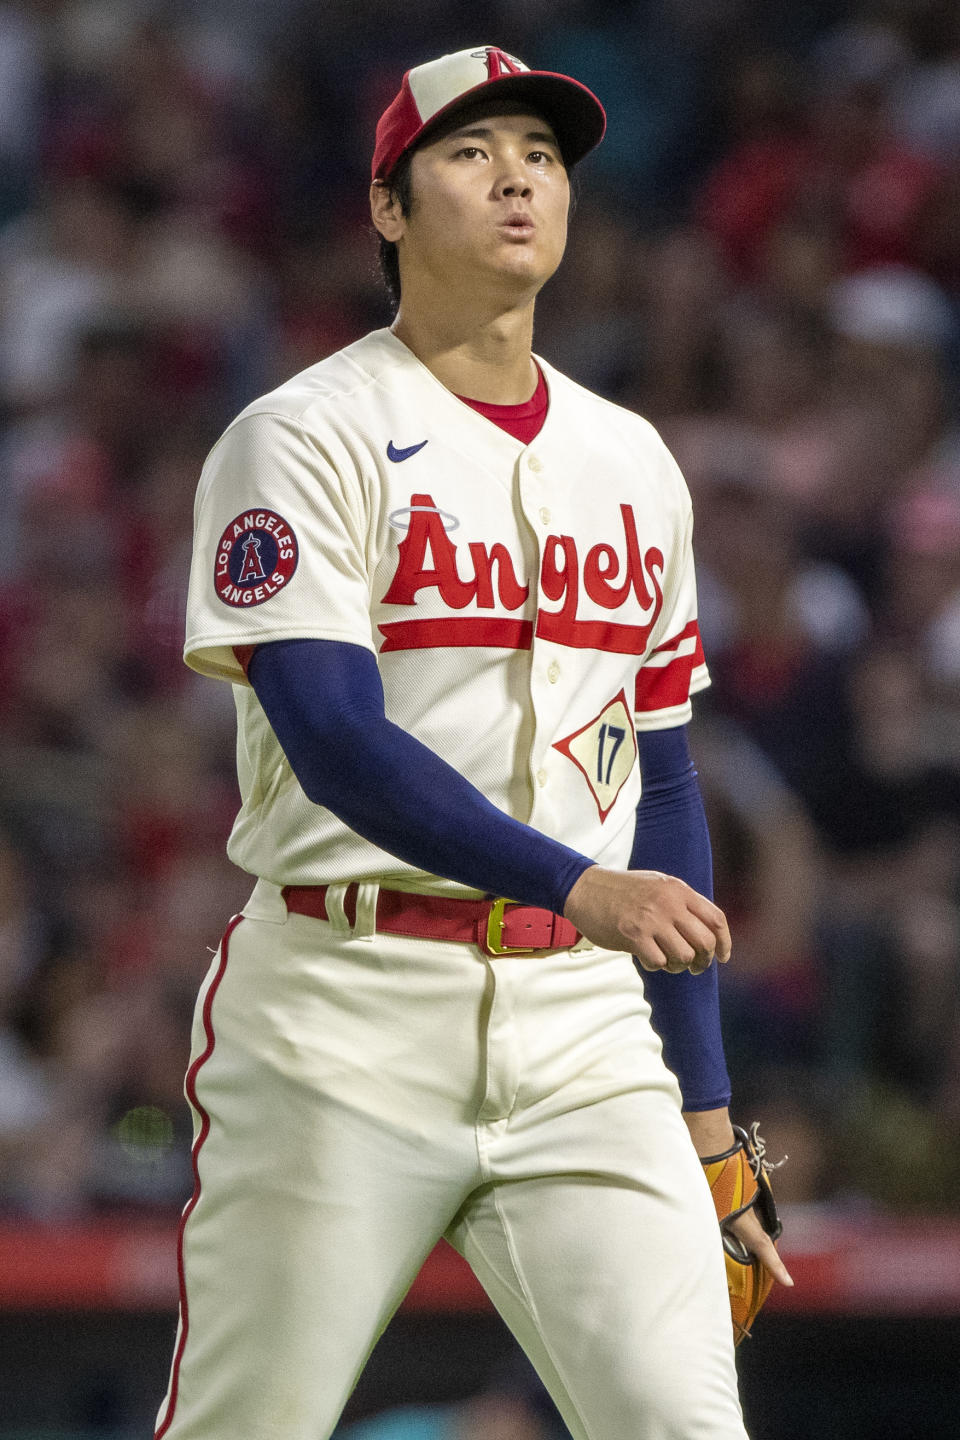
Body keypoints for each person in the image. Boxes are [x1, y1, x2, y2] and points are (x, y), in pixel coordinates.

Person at [155, 45, 790, 1440]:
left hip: (583, 1032)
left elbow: (662, 776)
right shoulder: (301, 435)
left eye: (545, 155)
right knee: (245, 1424)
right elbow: (328, 734)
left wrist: (703, 1109)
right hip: (344, 1003)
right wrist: (578, 885)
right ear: (387, 207)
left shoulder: (632, 458)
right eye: (471, 149)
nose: (518, 177)